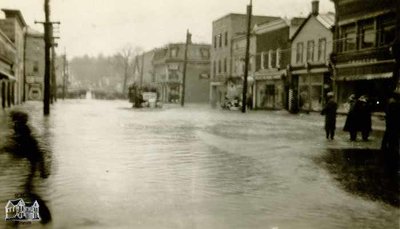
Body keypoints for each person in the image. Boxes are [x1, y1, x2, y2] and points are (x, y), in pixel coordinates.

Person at [381, 92, 400, 157]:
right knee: (393, 136)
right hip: (394, 122)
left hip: (390, 122)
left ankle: (386, 148)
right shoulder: (394, 103)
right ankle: (392, 149)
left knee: (388, 134)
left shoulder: (391, 102)